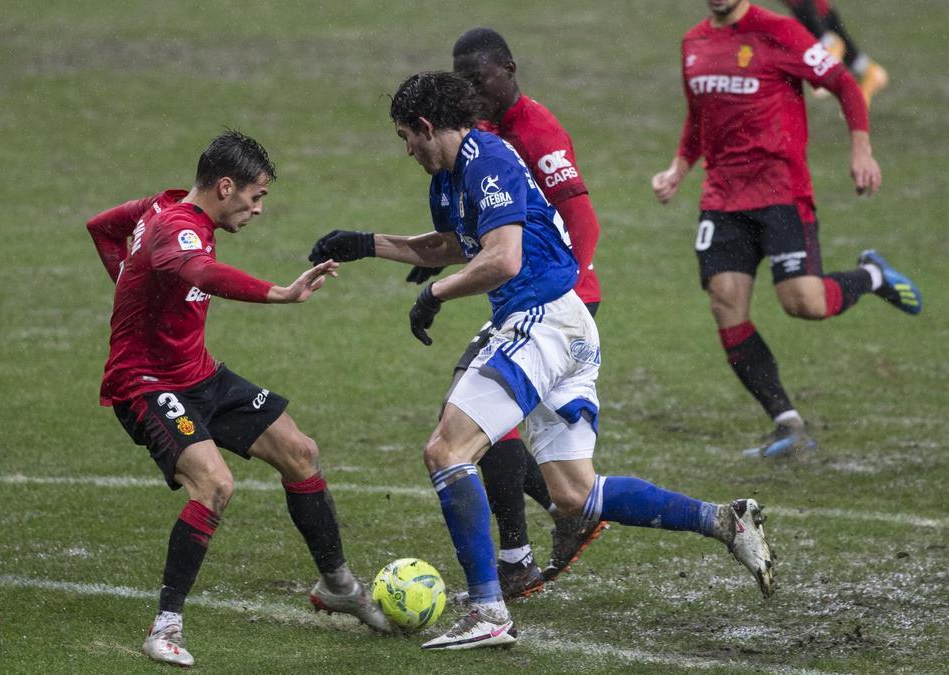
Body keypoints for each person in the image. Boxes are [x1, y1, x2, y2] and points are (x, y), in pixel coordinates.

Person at [309, 71, 774, 651]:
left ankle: (487, 610)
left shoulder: (489, 159)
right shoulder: (452, 176)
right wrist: (364, 243)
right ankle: (723, 521)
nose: (407, 149)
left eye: (407, 136)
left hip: (540, 321)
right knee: (574, 494)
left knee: (447, 451)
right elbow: (452, 245)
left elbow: (502, 259)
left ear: (427, 126)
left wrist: (435, 295)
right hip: (566, 324)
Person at [86, 130, 390, 668]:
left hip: (198, 375)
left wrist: (131, 285)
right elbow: (201, 271)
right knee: (214, 484)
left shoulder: (158, 205)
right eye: (257, 195)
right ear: (226, 187)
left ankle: (338, 584)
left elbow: (101, 227)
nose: (259, 209)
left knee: (300, 452)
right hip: (147, 385)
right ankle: (165, 626)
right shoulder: (176, 227)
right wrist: (281, 291)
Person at [651, 0, 923, 458]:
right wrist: (679, 168)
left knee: (804, 303)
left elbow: (844, 84)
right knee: (725, 303)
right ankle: (787, 423)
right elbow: (699, 116)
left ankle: (872, 276)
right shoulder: (693, 42)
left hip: (781, 193)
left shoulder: (780, 32)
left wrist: (861, 150)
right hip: (722, 198)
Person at [401, 28, 609, 600]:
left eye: (480, 79)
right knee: (487, 425)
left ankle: (516, 561)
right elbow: (484, 223)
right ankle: (538, 540)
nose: (471, 90)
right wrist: (454, 251)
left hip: (550, 300)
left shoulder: (535, 132)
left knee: (465, 422)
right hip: (520, 293)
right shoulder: (478, 135)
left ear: (509, 70)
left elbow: (580, 219)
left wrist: (576, 288)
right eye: (461, 80)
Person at [779, 0, 888, 105]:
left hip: (815, 13)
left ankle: (831, 60)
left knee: (825, 38)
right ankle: (869, 72)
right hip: (820, 12)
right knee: (853, 59)